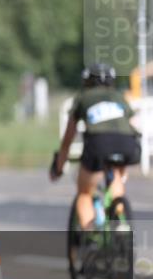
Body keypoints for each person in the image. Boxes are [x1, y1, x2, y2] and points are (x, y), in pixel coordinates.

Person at [52, 63, 140, 229]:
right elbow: (133, 125)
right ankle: (120, 220)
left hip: (99, 144)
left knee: (85, 192)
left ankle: (89, 230)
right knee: (115, 177)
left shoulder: (83, 97)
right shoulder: (119, 96)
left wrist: (59, 166)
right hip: (128, 143)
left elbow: (68, 139)